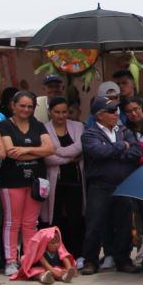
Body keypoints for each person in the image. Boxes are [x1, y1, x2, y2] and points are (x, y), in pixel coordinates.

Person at [80, 96, 143, 274]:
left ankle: (123, 259)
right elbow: (98, 152)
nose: (116, 114)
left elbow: (136, 151)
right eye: (111, 111)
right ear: (99, 115)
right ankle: (90, 261)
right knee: (95, 223)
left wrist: (116, 152)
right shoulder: (90, 133)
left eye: (116, 110)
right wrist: (122, 147)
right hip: (100, 185)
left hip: (123, 184)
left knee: (123, 223)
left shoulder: (124, 130)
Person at [0, 91, 54, 277]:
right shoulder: (4, 125)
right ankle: (11, 261)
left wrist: (25, 149)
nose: (26, 110)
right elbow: (11, 152)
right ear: (13, 105)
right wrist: (37, 151)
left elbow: (50, 149)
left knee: (30, 223)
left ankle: (30, 259)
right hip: (12, 180)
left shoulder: (38, 125)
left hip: (36, 181)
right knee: (12, 223)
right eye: (22, 105)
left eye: (30, 106)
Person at [41, 97, 84, 268]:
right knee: (56, 219)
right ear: (50, 112)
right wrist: (68, 158)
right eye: (57, 112)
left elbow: (80, 147)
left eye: (64, 112)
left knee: (76, 218)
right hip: (55, 182)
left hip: (75, 180)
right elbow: (47, 156)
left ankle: (77, 254)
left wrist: (58, 151)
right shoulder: (43, 129)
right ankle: (58, 256)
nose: (61, 115)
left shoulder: (78, 126)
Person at [9, 226, 76, 284]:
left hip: (55, 268)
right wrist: (54, 272)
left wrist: (69, 269)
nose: (56, 245)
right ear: (45, 243)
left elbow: (65, 258)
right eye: (52, 243)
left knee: (61, 271)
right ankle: (44, 278)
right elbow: (46, 265)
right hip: (42, 269)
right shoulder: (41, 253)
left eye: (58, 242)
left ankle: (65, 277)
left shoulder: (59, 250)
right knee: (36, 273)